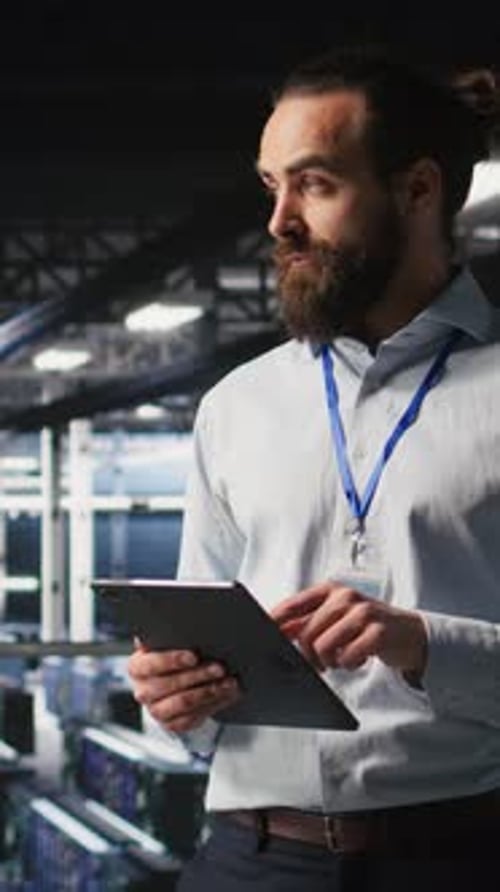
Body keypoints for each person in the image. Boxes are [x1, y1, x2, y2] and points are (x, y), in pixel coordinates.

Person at [127, 44, 500, 889]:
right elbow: (191, 687)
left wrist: (423, 644)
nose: (278, 221)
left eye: (315, 185)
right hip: (247, 861)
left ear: (417, 190)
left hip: (457, 858)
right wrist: (176, 699)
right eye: (272, 187)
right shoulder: (236, 406)